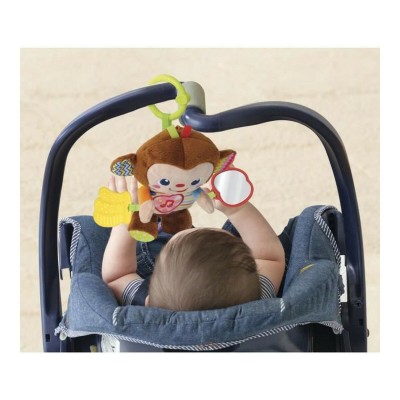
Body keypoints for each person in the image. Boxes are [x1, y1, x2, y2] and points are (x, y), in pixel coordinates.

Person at [102, 175, 285, 311]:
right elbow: (269, 257)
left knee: (157, 235)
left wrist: (126, 221)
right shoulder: (258, 301)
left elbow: (117, 276)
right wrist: (237, 210)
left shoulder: (148, 308)